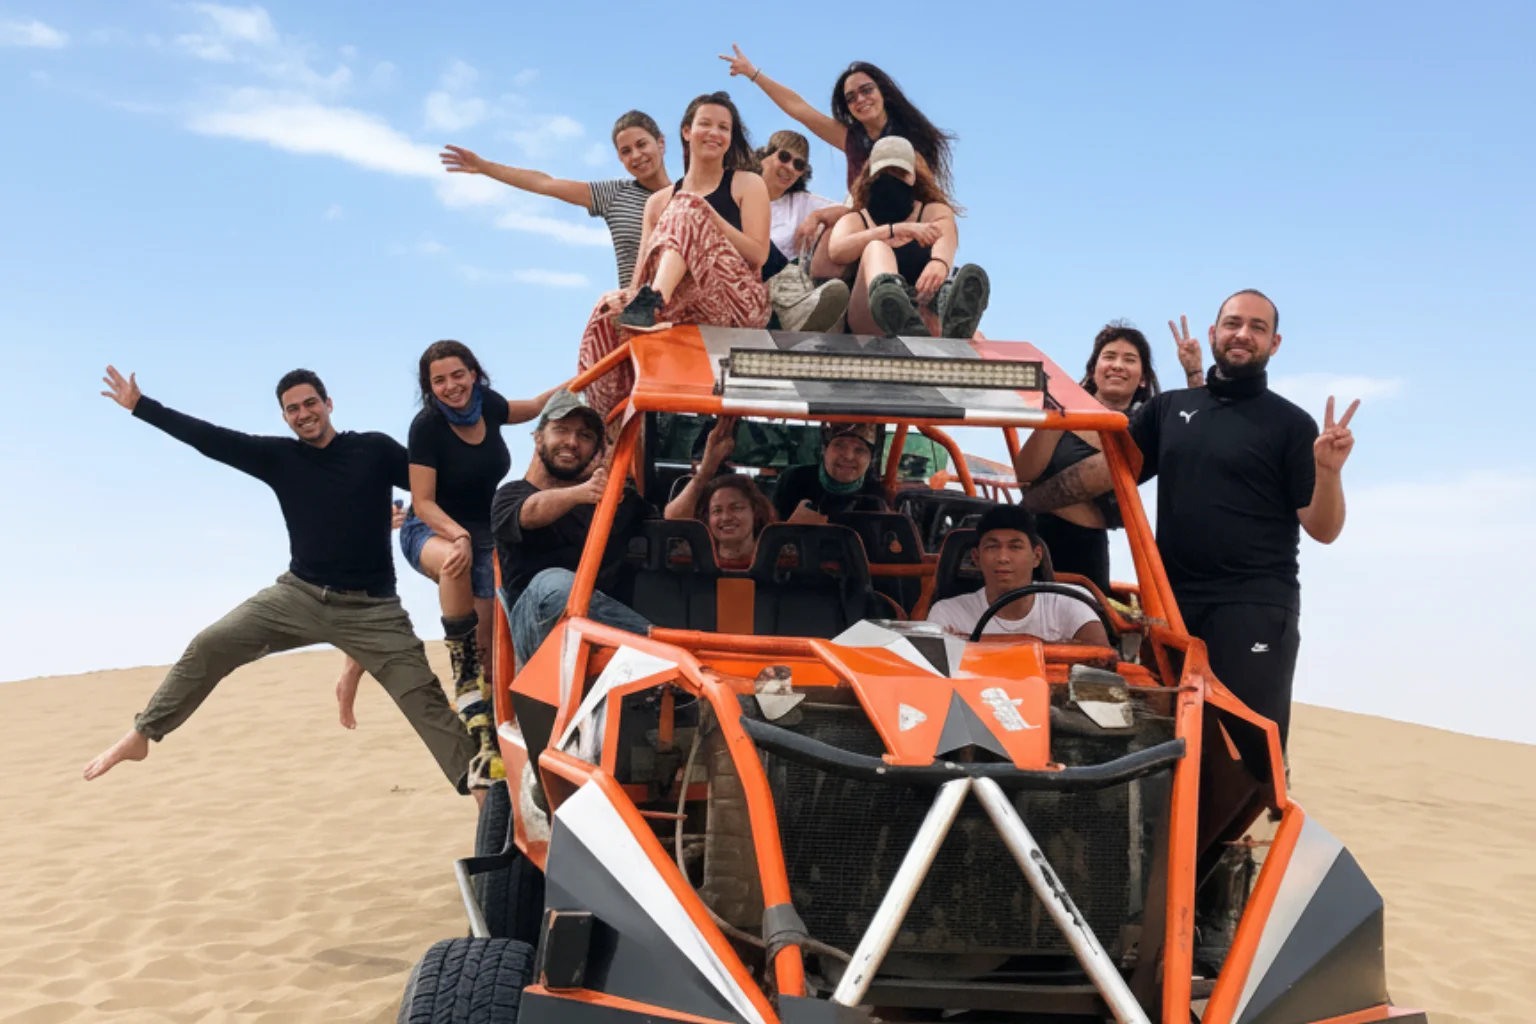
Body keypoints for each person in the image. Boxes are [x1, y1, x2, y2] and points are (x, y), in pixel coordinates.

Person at [83, 366, 481, 799]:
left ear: (328, 404)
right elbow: (210, 439)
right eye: (292, 409)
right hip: (299, 595)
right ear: (285, 418)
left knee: (427, 706)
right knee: (211, 643)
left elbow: (435, 484)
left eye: (311, 403)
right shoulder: (280, 458)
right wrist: (141, 406)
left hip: (374, 611)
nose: (303, 413)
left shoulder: (373, 449)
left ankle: (490, 803)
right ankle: (144, 732)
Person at [1017, 290, 1361, 749]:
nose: (1243, 334)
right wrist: (1023, 510)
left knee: (1247, 745)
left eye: (1257, 328)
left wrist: (1328, 472)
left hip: (1252, 607)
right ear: (1214, 333)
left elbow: (1323, 528)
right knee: (1161, 738)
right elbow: (1104, 475)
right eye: (1233, 323)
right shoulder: (1169, 410)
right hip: (1171, 607)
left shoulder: (1292, 425)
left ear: (1274, 344)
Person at [335, 341, 553, 782]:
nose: (451, 386)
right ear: (429, 387)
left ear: (474, 373)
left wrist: (586, 376)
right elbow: (424, 501)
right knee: (456, 565)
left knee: (491, 638)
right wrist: (457, 534)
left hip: (485, 533)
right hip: (432, 528)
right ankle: (462, 672)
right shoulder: (427, 428)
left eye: (457, 375)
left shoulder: (487, 406)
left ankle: (484, 723)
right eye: (439, 380)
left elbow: (531, 407)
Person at [577, 92, 772, 418]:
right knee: (606, 306)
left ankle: (654, 303)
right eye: (706, 124)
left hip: (736, 304)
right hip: (679, 310)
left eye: (724, 127)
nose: (715, 133)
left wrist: (708, 216)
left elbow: (758, 255)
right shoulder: (658, 203)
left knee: (689, 205)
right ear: (686, 131)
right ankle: (602, 422)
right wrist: (623, 304)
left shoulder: (746, 184)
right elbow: (641, 272)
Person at [491, 390, 654, 666]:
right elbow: (530, 512)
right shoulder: (511, 495)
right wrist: (583, 492)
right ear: (538, 437)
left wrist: (707, 468)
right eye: (561, 430)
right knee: (555, 584)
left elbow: (671, 525)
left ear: (597, 450)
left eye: (585, 436)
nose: (572, 442)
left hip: (603, 638)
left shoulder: (615, 502)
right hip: (539, 636)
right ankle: (659, 647)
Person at [1012, 322, 1162, 593]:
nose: (1117, 365)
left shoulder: (1146, 428)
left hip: (1085, 548)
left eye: (1129, 359)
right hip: (1031, 536)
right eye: (1109, 357)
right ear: (1093, 371)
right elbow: (1024, 473)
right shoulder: (1064, 410)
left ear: (1143, 378)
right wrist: (1060, 412)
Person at [441, 110, 670, 288]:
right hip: (638, 323)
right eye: (626, 151)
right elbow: (544, 183)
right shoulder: (614, 195)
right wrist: (484, 167)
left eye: (641, 144)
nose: (636, 156)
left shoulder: (690, 197)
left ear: (660, 143)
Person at [719, 47, 956, 192]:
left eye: (866, 90)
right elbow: (799, 109)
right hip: (863, 224)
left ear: (883, 92)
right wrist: (753, 74)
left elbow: (930, 195)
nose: (860, 100)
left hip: (907, 221)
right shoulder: (851, 138)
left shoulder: (909, 140)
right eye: (851, 98)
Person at [826, 137, 989, 339]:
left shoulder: (932, 212)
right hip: (869, 320)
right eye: (884, 173)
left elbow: (945, 233)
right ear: (871, 176)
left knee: (951, 293)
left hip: (922, 314)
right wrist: (894, 230)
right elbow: (837, 250)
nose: (891, 178)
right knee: (876, 248)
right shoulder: (856, 219)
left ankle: (948, 313)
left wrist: (939, 263)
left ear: (912, 177)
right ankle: (891, 300)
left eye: (899, 172)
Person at [926, 506, 1110, 644]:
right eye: (992, 547)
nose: (1003, 557)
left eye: (1015, 547)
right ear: (976, 557)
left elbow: (1102, 663)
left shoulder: (1070, 601)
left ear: (1036, 556)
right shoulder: (948, 614)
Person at [755, 130, 850, 331]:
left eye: (798, 165)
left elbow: (853, 213)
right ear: (765, 155)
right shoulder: (737, 188)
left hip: (782, 286)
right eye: (784, 157)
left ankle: (800, 309)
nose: (789, 167)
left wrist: (816, 217)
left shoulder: (800, 202)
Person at [664, 416, 776, 569]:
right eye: (717, 511)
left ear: (755, 511)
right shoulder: (691, 557)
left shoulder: (780, 558)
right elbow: (674, 519)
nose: (726, 517)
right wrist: (705, 470)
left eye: (736, 507)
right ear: (707, 519)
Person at [771, 422, 887, 523]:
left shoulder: (876, 496)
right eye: (839, 445)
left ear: (871, 457)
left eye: (860, 449)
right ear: (825, 450)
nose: (848, 456)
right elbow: (767, 536)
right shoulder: (794, 479)